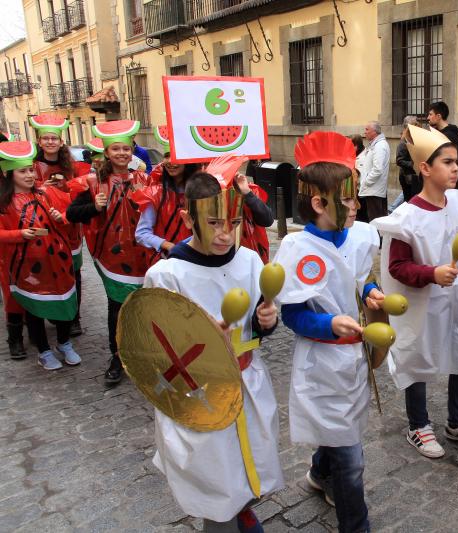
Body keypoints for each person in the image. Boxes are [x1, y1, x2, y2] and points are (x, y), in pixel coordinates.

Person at [143, 169, 284, 533]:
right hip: (199, 393)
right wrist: (200, 340)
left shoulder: (251, 261)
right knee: (215, 474)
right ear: (187, 218)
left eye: (234, 222)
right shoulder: (167, 275)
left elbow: (256, 328)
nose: (225, 233)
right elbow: (154, 348)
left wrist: (265, 320)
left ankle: (240, 507)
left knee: (250, 459)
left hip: (247, 382)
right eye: (214, 222)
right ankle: (222, 520)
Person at [274, 131, 382, 533]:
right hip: (322, 364)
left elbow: (355, 279)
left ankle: (321, 472)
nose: (357, 206)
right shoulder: (297, 251)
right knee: (352, 462)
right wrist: (328, 323)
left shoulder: (359, 235)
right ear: (320, 203)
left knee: (341, 433)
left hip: (354, 360)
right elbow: (293, 315)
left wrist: (370, 292)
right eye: (349, 198)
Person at [372, 125, 458, 459]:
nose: (457, 168)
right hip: (422, 304)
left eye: (457, 161)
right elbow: (396, 268)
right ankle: (418, 425)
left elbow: (456, 252)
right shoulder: (404, 217)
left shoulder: (456, 205)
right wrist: (431, 274)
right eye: (448, 162)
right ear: (426, 168)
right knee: (416, 356)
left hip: (455, 300)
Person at [66, 120, 149, 386]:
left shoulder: (144, 179)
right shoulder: (91, 182)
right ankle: (117, 357)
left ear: (132, 150)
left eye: (126, 148)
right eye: (116, 149)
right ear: (107, 153)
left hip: (143, 254)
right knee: (117, 306)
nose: (122, 154)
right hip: (112, 257)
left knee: (144, 306)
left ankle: (143, 353)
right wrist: (94, 207)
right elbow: (72, 214)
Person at [0, 141, 81, 370]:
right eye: (22, 171)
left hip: (58, 262)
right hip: (26, 267)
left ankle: (64, 344)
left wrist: (59, 217)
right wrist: (19, 233)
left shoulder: (45, 194)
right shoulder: (3, 204)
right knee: (34, 309)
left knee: (65, 304)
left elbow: (68, 218)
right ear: (8, 173)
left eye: (30, 170)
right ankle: (44, 351)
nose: (29, 175)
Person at [29, 114, 92, 337]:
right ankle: (53, 311)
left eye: (54, 139)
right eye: (45, 138)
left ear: (61, 141)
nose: (50, 142)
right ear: (39, 141)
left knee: (74, 272)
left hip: (69, 226)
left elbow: (83, 190)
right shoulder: (32, 166)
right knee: (49, 271)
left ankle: (74, 317)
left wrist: (67, 186)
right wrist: (40, 186)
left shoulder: (72, 166)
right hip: (43, 226)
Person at [134, 128, 199, 267]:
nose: (169, 161)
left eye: (175, 155)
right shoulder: (154, 194)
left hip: (198, 261)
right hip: (166, 263)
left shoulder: (201, 192)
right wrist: (169, 246)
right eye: (167, 155)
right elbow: (142, 233)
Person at [357, 121, 390, 222]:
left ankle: (376, 238)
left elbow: (377, 169)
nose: (364, 132)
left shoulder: (380, 146)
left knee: (375, 221)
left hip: (374, 190)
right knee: (374, 219)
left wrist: (366, 182)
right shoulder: (376, 144)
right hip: (373, 189)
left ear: (374, 132)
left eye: (367, 129)